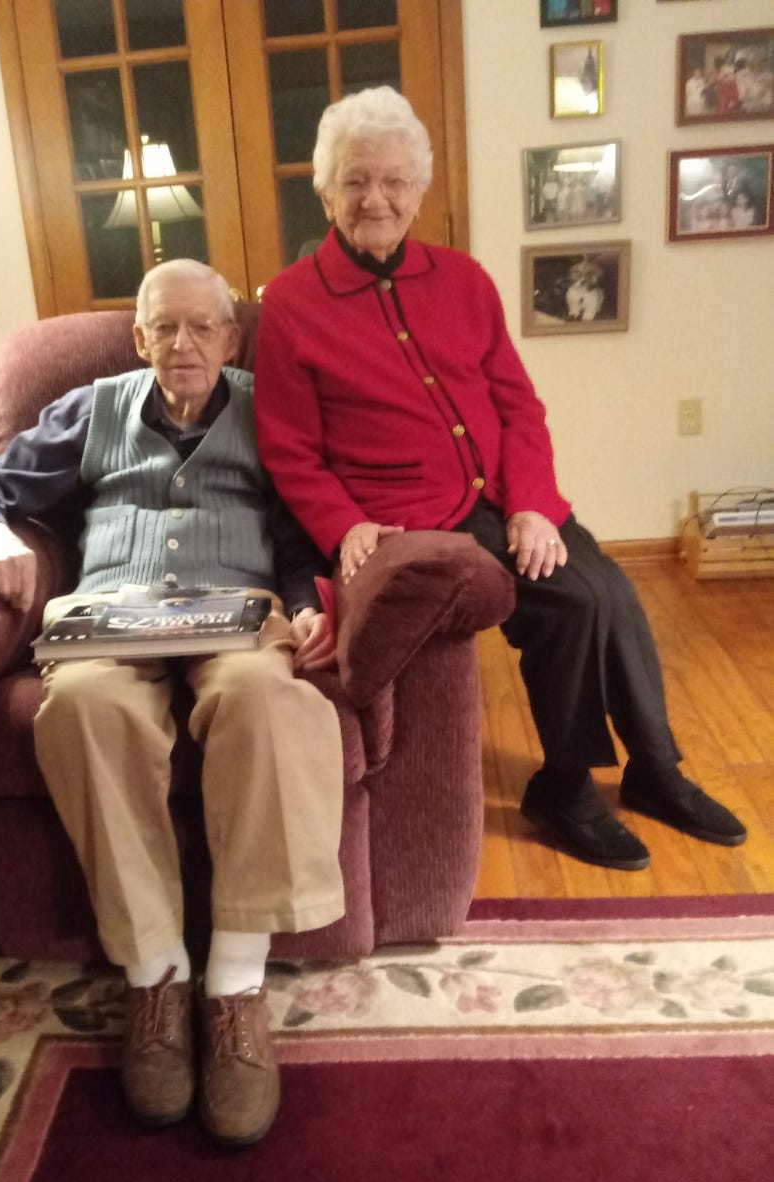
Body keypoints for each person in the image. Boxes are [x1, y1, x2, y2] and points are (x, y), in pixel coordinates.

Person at [253, 86, 747, 875]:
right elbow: (290, 452)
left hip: (499, 500)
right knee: (572, 604)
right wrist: (344, 522)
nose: (375, 197)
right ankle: (566, 785)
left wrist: (535, 509)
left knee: (612, 587)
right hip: (406, 522)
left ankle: (656, 770)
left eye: (393, 180)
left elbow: (519, 406)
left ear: (419, 190)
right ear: (325, 190)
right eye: (355, 180)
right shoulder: (290, 304)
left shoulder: (463, 278)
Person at [0, 258, 345, 1146]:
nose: (183, 344)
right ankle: (156, 973)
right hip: (109, 619)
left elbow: (292, 526)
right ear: (139, 337)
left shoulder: (265, 403)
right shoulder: (95, 408)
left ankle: (234, 985)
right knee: (84, 710)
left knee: (267, 705)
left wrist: (309, 601)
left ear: (232, 337)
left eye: (203, 326)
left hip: (234, 614)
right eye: (165, 327)